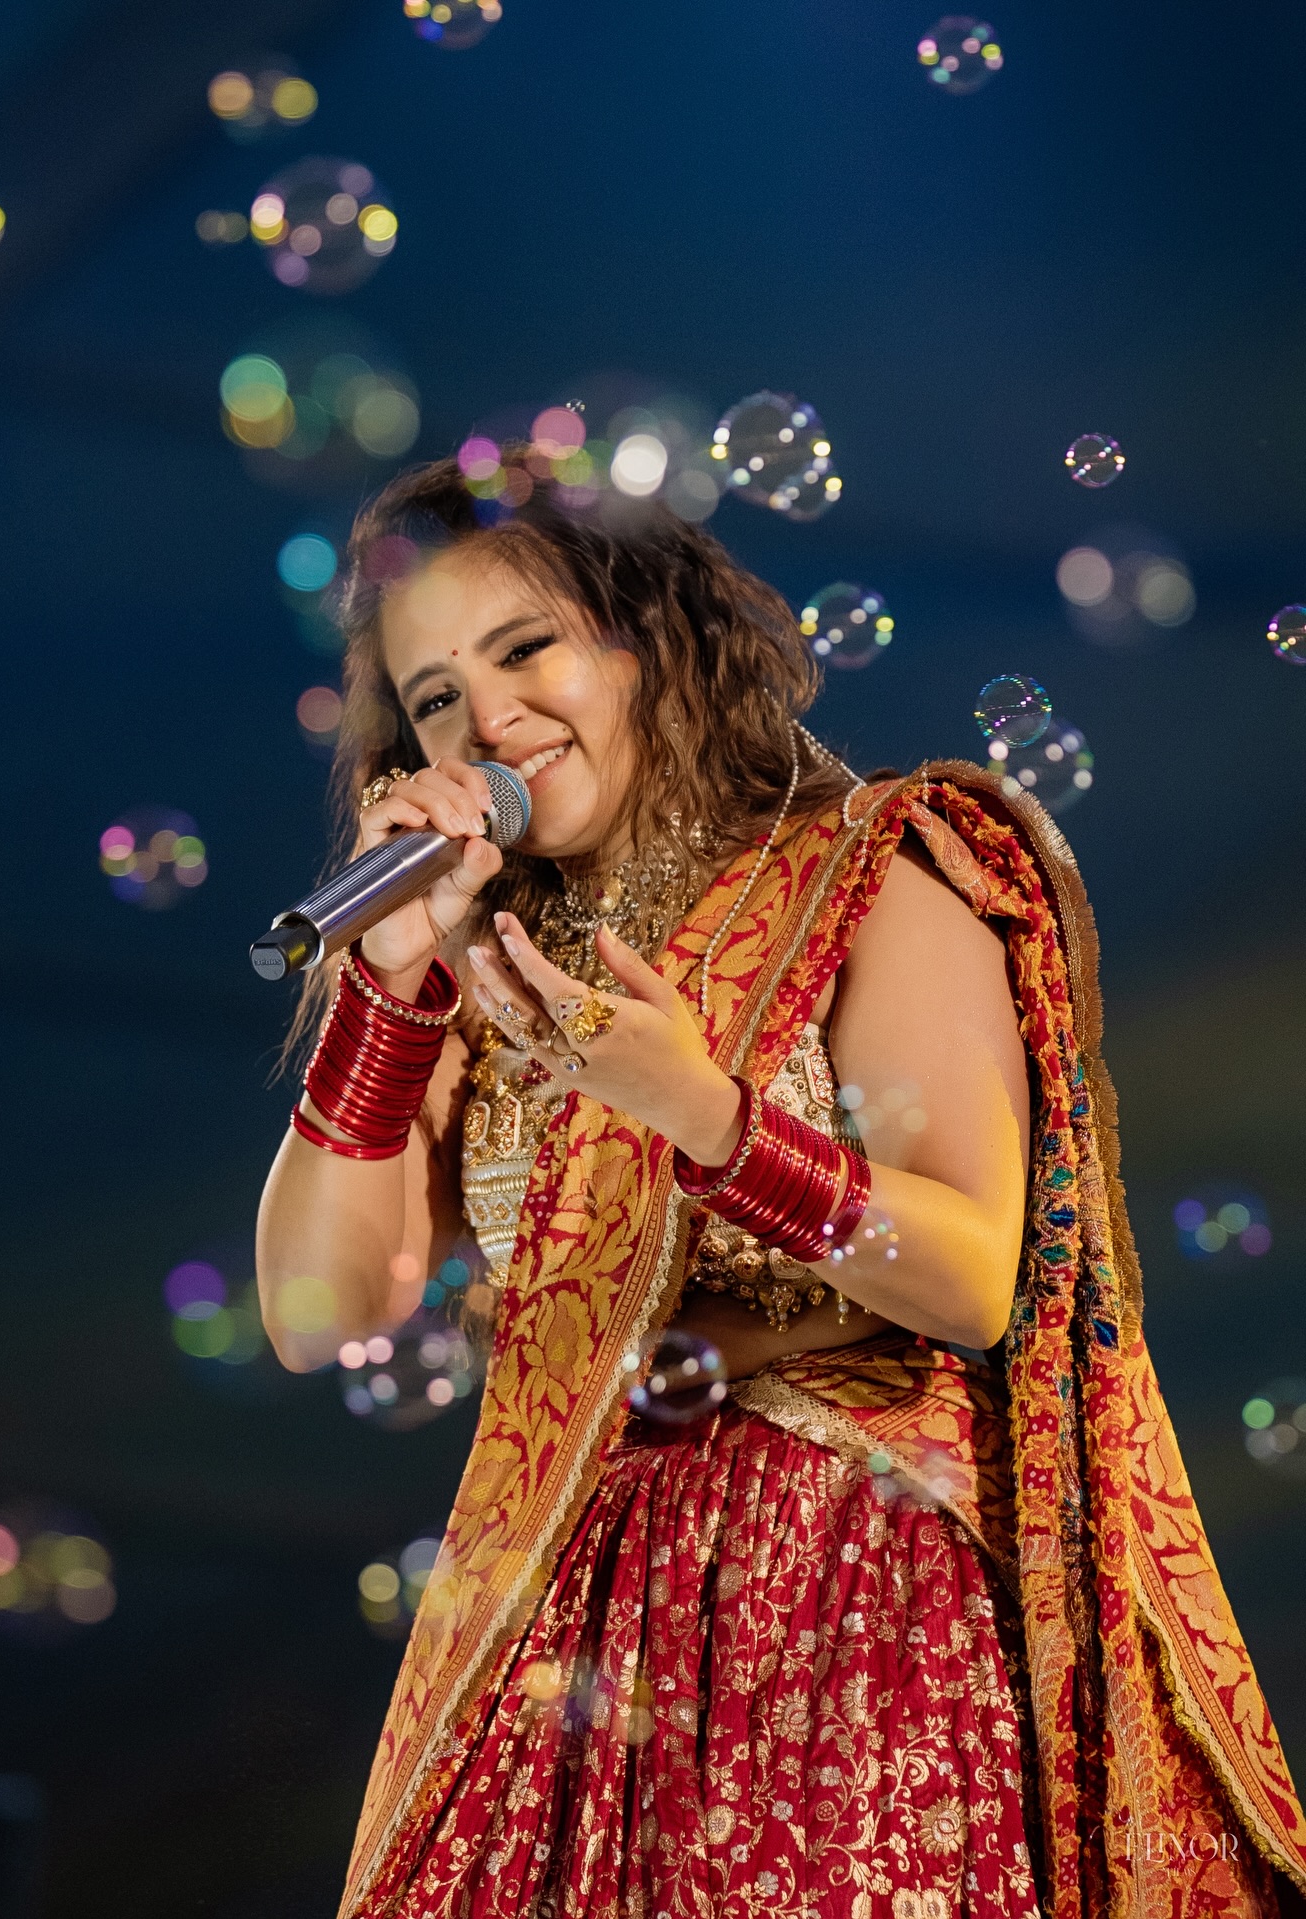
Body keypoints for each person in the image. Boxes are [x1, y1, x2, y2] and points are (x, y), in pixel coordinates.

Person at [255, 452, 1306, 1919]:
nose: (485, 720)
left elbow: (969, 1275)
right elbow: (320, 1308)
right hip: (565, 1636)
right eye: (433, 697)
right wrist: (386, 985)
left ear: (649, 637)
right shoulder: (478, 974)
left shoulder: (873, 867)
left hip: (846, 1602)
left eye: (526, 648)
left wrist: (708, 1117)